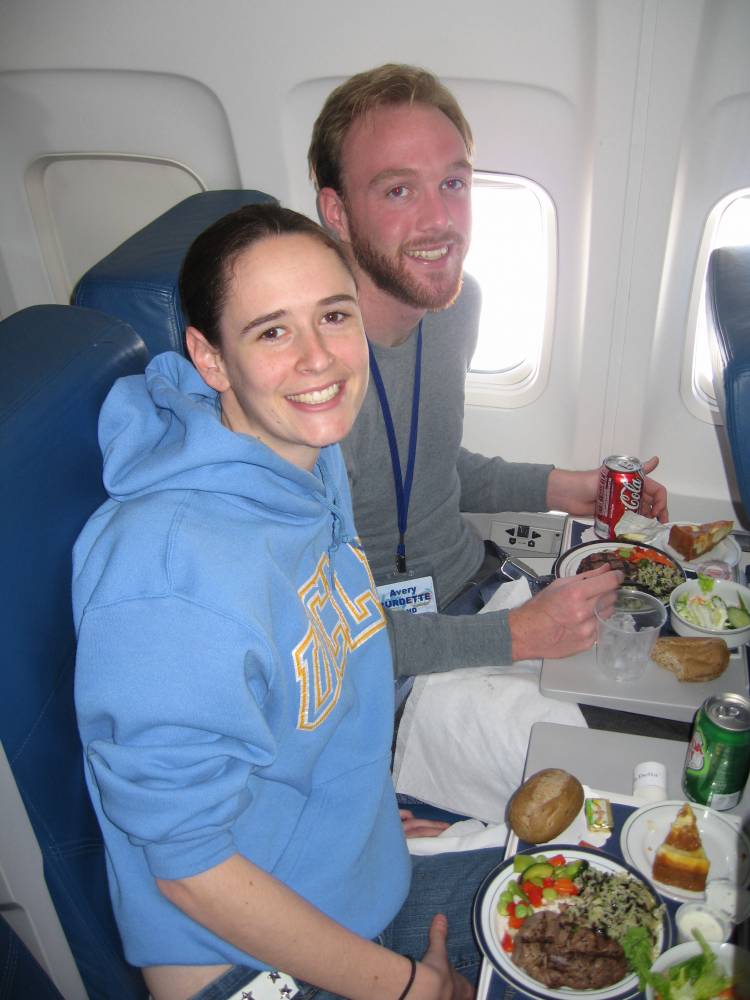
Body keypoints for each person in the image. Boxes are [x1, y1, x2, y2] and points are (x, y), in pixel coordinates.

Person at [73, 203, 506, 1000]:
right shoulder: (169, 571)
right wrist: (410, 989)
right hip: (241, 962)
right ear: (209, 357)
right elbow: (192, 870)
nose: (319, 359)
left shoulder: (303, 457)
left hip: (336, 877)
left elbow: (315, 686)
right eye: (271, 331)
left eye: (333, 316)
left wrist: (360, 823)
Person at [308, 63, 669, 677]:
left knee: (645, 656)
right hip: (389, 652)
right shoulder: (306, 379)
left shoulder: (454, 306)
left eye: (453, 183)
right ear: (336, 213)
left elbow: (430, 466)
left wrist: (563, 487)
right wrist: (517, 635)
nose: (440, 221)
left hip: (472, 580)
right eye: (398, 190)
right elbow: (315, 636)